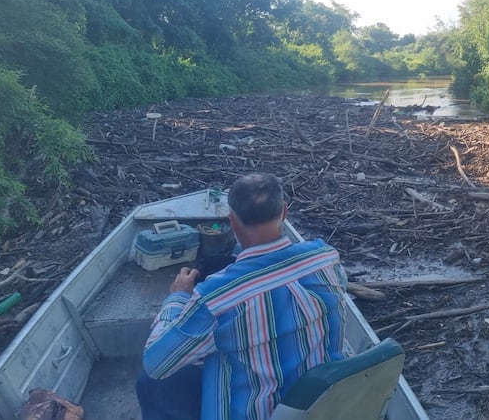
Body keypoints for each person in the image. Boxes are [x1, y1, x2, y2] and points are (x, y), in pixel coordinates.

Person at [136, 173, 347, 420]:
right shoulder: (325, 258)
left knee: (151, 384)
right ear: (284, 212)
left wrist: (178, 298)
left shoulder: (214, 297)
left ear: (232, 222)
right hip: (323, 403)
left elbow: (155, 363)